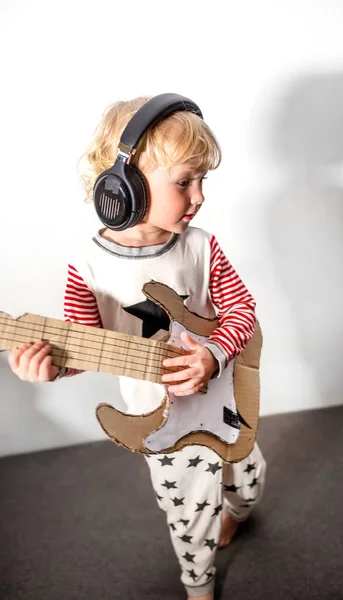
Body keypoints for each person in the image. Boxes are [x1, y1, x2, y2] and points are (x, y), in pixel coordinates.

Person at [8, 95, 266, 600]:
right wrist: (46, 367)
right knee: (187, 510)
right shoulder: (87, 266)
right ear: (121, 189)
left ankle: (236, 514)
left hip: (227, 401)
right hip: (160, 418)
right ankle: (198, 584)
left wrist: (214, 354)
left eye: (202, 182)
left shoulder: (201, 246)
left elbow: (243, 312)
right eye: (184, 182)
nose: (200, 196)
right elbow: (82, 350)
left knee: (249, 476)